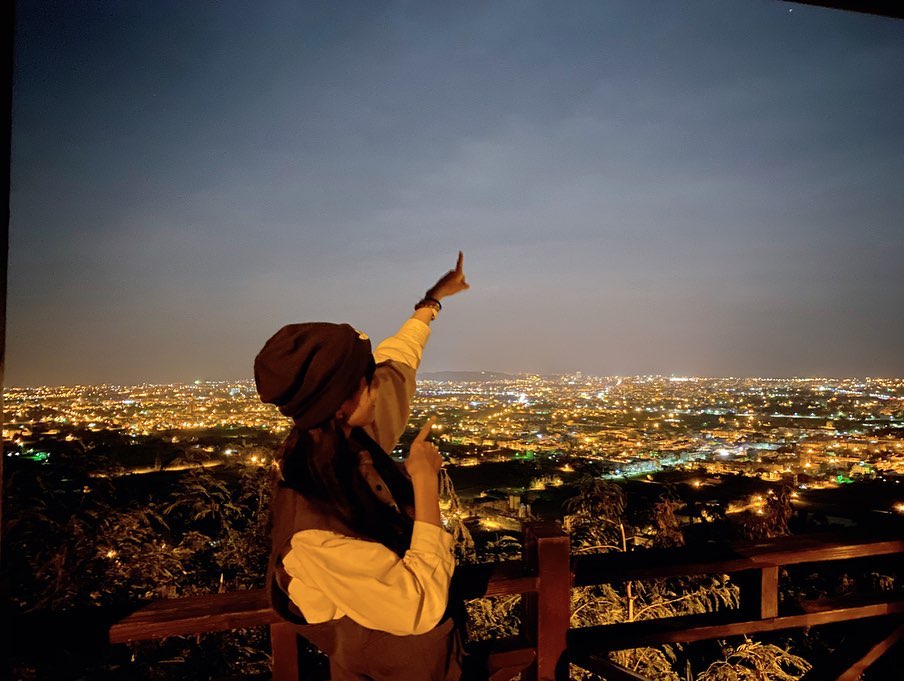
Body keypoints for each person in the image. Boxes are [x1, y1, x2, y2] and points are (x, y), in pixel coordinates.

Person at [253, 253, 470, 681]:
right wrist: (425, 485)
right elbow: (418, 608)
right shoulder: (313, 531)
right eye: (365, 378)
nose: (377, 383)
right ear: (339, 403)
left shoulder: (351, 438)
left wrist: (431, 303)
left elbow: (398, 362)